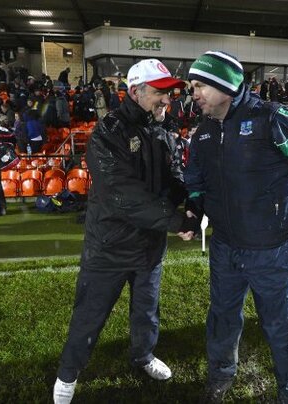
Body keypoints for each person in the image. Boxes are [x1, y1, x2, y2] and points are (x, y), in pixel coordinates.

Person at [182, 50, 288, 403]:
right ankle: (220, 376)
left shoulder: (273, 119)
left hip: (271, 249)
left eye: (200, 85)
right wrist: (194, 207)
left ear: (225, 85)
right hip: (225, 247)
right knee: (222, 317)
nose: (194, 93)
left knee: (279, 324)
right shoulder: (203, 132)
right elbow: (196, 180)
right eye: (193, 86)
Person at [53, 58, 195, 404]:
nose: (167, 99)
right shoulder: (108, 133)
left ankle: (143, 356)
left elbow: (174, 177)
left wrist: (192, 202)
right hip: (110, 248)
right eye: (160, 92)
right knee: (89, 316)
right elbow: (123, 195)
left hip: (149, 247)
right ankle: (67, 375)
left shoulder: (163, 129)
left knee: (146, 312)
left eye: (169, 92)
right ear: (135, 92)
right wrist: (178, 222)